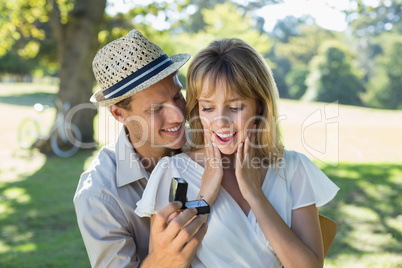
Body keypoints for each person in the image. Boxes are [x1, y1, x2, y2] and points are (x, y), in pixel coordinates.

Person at [135, 38, 340, 267]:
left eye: (235, 107)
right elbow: (166, 262)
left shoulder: (293, 168)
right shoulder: (173, 172)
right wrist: (204, 199)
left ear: (259, 106)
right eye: (208, 108)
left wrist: (255, 195)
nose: (221, 122)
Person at [73, 29, 207, 268]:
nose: (178, 116)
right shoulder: (98, 196)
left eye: (177, 97)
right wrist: (161, 258)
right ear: (118, 113)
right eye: (156, 109)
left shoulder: (205, 145)